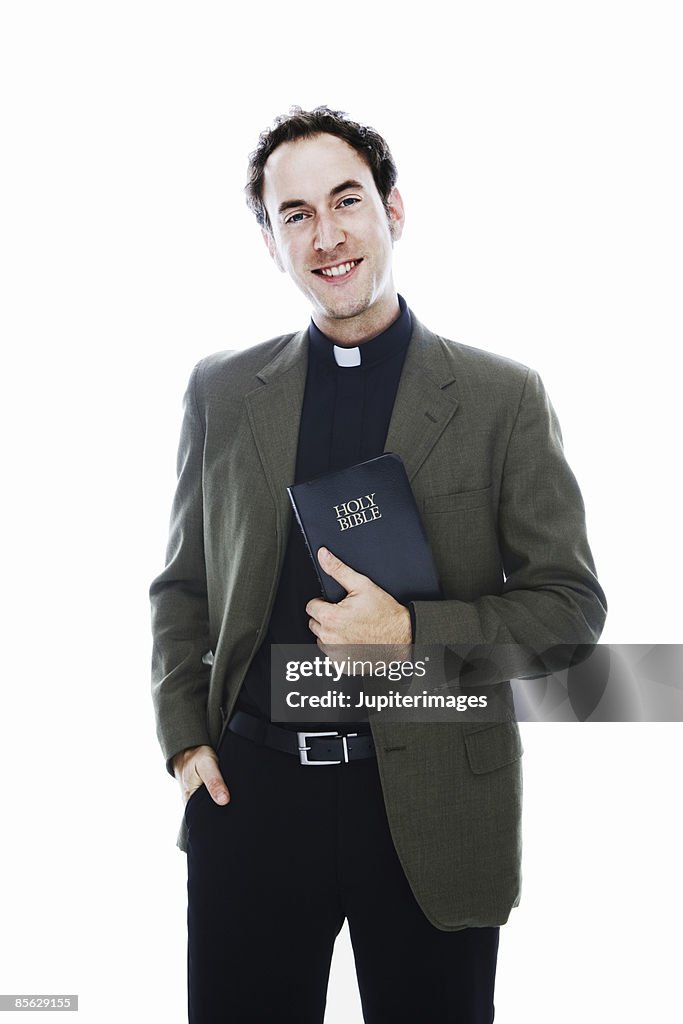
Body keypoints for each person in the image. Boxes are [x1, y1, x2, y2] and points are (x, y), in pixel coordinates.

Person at [150, 105, 607, 1024]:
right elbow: (183, 584)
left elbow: (569, 608)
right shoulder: (224, 391)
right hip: (255, 800)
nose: (326, 235)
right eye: (295, 214)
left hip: (436, 803)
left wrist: (411, 635)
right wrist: (185, 738)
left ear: (393, 211)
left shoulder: (499, 397)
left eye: (346, 200)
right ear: (271, 242)